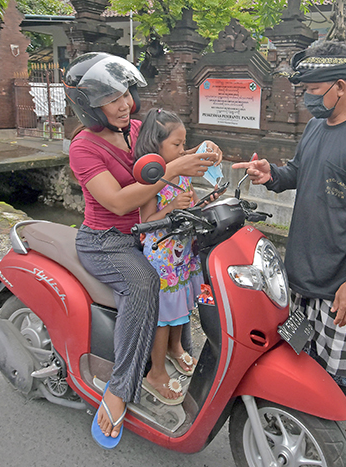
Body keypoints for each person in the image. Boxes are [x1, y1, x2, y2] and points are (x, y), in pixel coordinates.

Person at [233, 41, 346, 467]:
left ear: (340, 86)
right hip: (302, 269)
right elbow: (300, 173)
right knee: (305, 360)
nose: (305, 98)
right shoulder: (315, 129)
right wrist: (273, 175)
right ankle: (314, 423)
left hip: (343, 280)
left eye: (311, 89)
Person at [64, 52, 222, 448]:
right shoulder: (83, 148)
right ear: (87, 105)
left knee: (186, 271)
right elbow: (117, 203)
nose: (124, 104)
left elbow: (171, 151)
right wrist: (172, 171)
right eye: (111, 98)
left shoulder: (134, 130)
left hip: (149, 230)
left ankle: (175, 347)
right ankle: (122, 387)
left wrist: (203, 153)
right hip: (106, 240)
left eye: (125, 93)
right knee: (145, 284)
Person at [134, 108, 208, 405]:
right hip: (162, 255)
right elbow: (147, 220)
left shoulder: (181, 170)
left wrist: (202, 202)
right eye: (176, 145)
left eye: (183, 144)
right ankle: (156, 372)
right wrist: (172, 207)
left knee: (183, 305)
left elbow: (187, 204)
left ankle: (176, 348)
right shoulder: (152, 178)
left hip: (183, 252)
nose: (182, 150)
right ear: (156, 145)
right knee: (164, 315)